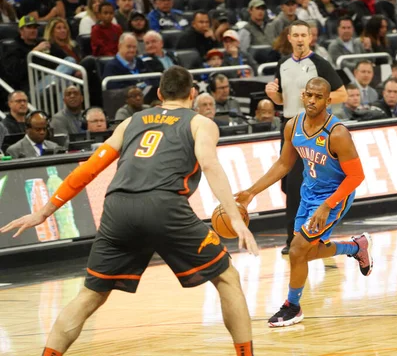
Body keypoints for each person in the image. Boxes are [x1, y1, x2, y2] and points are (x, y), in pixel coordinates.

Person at [1, 66, 259, 356]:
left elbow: (89, 169)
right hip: (164, 205)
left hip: (117, 207)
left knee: (90, 294)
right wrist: (236, 219)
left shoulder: (132, 121)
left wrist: (44, 212)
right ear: (192, 93)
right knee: (227, 278)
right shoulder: (201, 123)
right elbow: (210, 165)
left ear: (160, 94)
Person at [236, 76, 372, 327]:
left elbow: (357, 176)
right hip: (308, 194)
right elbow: (284, 164)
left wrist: (327, 205)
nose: (312, 100)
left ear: (328, 100)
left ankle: (293, 306)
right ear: (302, 95)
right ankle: (356, 247)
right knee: (303, 254)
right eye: (309, 94)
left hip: (334, 196)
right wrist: (252, 191)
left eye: (318, 97)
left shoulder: (337, 133)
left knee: (297, 250)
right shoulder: (293, 125)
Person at [265, 20, 347, 254]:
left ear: (310, 38)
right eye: (296, 35)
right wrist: (274, 96)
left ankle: (297, 239)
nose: (300, 39)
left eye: (304, 35)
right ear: (288, 38)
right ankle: (299, 236)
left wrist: (315, 100)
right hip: (290, 127)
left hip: (314, 130)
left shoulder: (320, 63)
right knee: (289, 185)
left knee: (304, 184)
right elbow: (284, 99)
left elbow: (342, 93)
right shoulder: (282, 64)